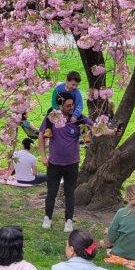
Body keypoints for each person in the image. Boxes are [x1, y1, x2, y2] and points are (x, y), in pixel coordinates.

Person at [38, 92, 91, 232]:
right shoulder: (52, 118)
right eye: (67, 105)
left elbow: (95, 127)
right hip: (54, 164)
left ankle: (68, 220)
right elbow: (41, 135)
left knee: (70, 194)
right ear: (60, 105)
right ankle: (47, 218)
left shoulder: (78, 118)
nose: (71, 107)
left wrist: (111, 130)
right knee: (51, 193)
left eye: (72, 104)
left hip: (72, 164)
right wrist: (43, 156)